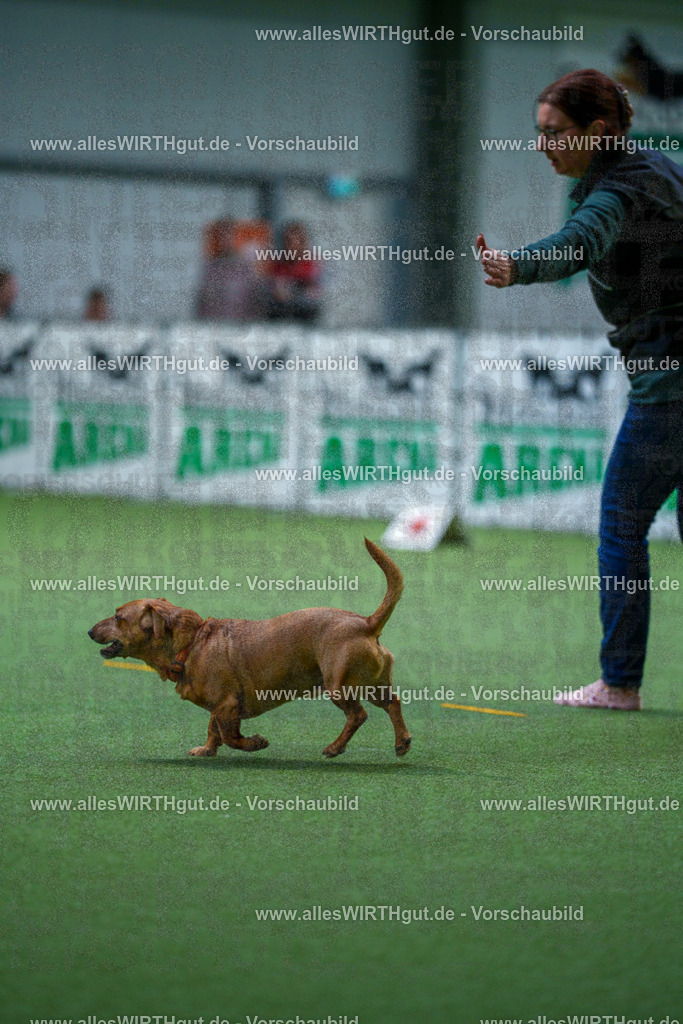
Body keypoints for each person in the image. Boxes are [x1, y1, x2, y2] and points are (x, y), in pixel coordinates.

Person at [477, 68, 683, 711]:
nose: (542, 145)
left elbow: (580, 241)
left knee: (623, 520)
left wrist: (518, 267)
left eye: (555, 133)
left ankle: (618, 682)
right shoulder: (663, 167)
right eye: (537, 132)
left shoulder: (618, 189)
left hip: (669, 374)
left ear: (598, 131)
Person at [196, 218, 269, 322]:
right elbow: (203, 303)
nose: (226, 240)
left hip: (243, 328)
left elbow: (258, 301)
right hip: (215, 327)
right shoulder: (210, 268)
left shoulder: (246, 268)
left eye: (229, 235)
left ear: (235, 238)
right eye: (222, 236)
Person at [268, 221, 322, 323]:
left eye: (298, 241)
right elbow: (276, 293)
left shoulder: (314, 264)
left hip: (307, 317)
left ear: (304, 242)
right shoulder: (278, 266)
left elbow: (316, 292)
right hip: (282, 317)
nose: (293, 246)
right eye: (289, 241)